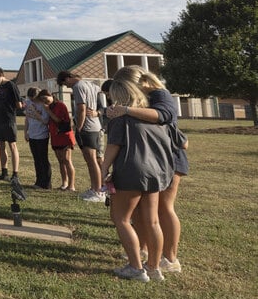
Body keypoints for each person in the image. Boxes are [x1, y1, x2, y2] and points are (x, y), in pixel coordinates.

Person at [108, 66, 188, 273]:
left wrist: (124, 110)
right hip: (150, 157)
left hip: (165, 158)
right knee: (145, 213)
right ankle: (145, 253)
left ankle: (169, 259)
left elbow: (164, 116)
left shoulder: (160, 94)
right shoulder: (142, 100)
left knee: (163, 208)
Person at [102, 80, 174, 282]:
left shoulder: (120, 119)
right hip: (155, 173)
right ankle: (153, 267)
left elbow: (113, 146)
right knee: (152, 221)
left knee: (121, 219)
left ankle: (135, 267)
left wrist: (103, 169)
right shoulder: (154, 119)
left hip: (130, 171)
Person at [57, 71, 105, 202]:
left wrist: (78, 127)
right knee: (93, 160)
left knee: (91, 160)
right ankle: (95, 187)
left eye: (65, 84)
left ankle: (98, 192)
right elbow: (102, 104)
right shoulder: (92, 85)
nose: (67, 87)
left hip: (87, 128)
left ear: (68, 78)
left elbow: (81, 108)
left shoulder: (78, 86)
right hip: (96, 126)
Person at [38, 90, 76, 191]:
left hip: (64, 136)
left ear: (51, 95)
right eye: (42, 99)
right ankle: (64, 183)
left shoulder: (60, 105)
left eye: (45, 98)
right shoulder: (48, 107)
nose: (44, 101)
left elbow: (59, 120)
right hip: (55, 137)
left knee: (67, 160)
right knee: (60, 161)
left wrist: (48, 111)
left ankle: (71, 185)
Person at [0, 67, 22, 182]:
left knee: (12, 146)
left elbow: (19, 104)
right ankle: (4, 172)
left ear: (0, 75)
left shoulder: (11, 85)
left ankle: (15, 173)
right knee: (1, 146)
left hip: (9, 120)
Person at [23, 86, 52, 189]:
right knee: (36, 159)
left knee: (43, 159)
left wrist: (35, 112)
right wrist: (26, 132)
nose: (32, 100)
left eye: (33, 98)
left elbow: (45, 120)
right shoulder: (29, 103)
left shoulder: (43, 105)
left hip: (42, 135)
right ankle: (39, 181)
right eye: (30, 98)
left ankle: (47, 183)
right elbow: (27, 119)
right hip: (32, 135)